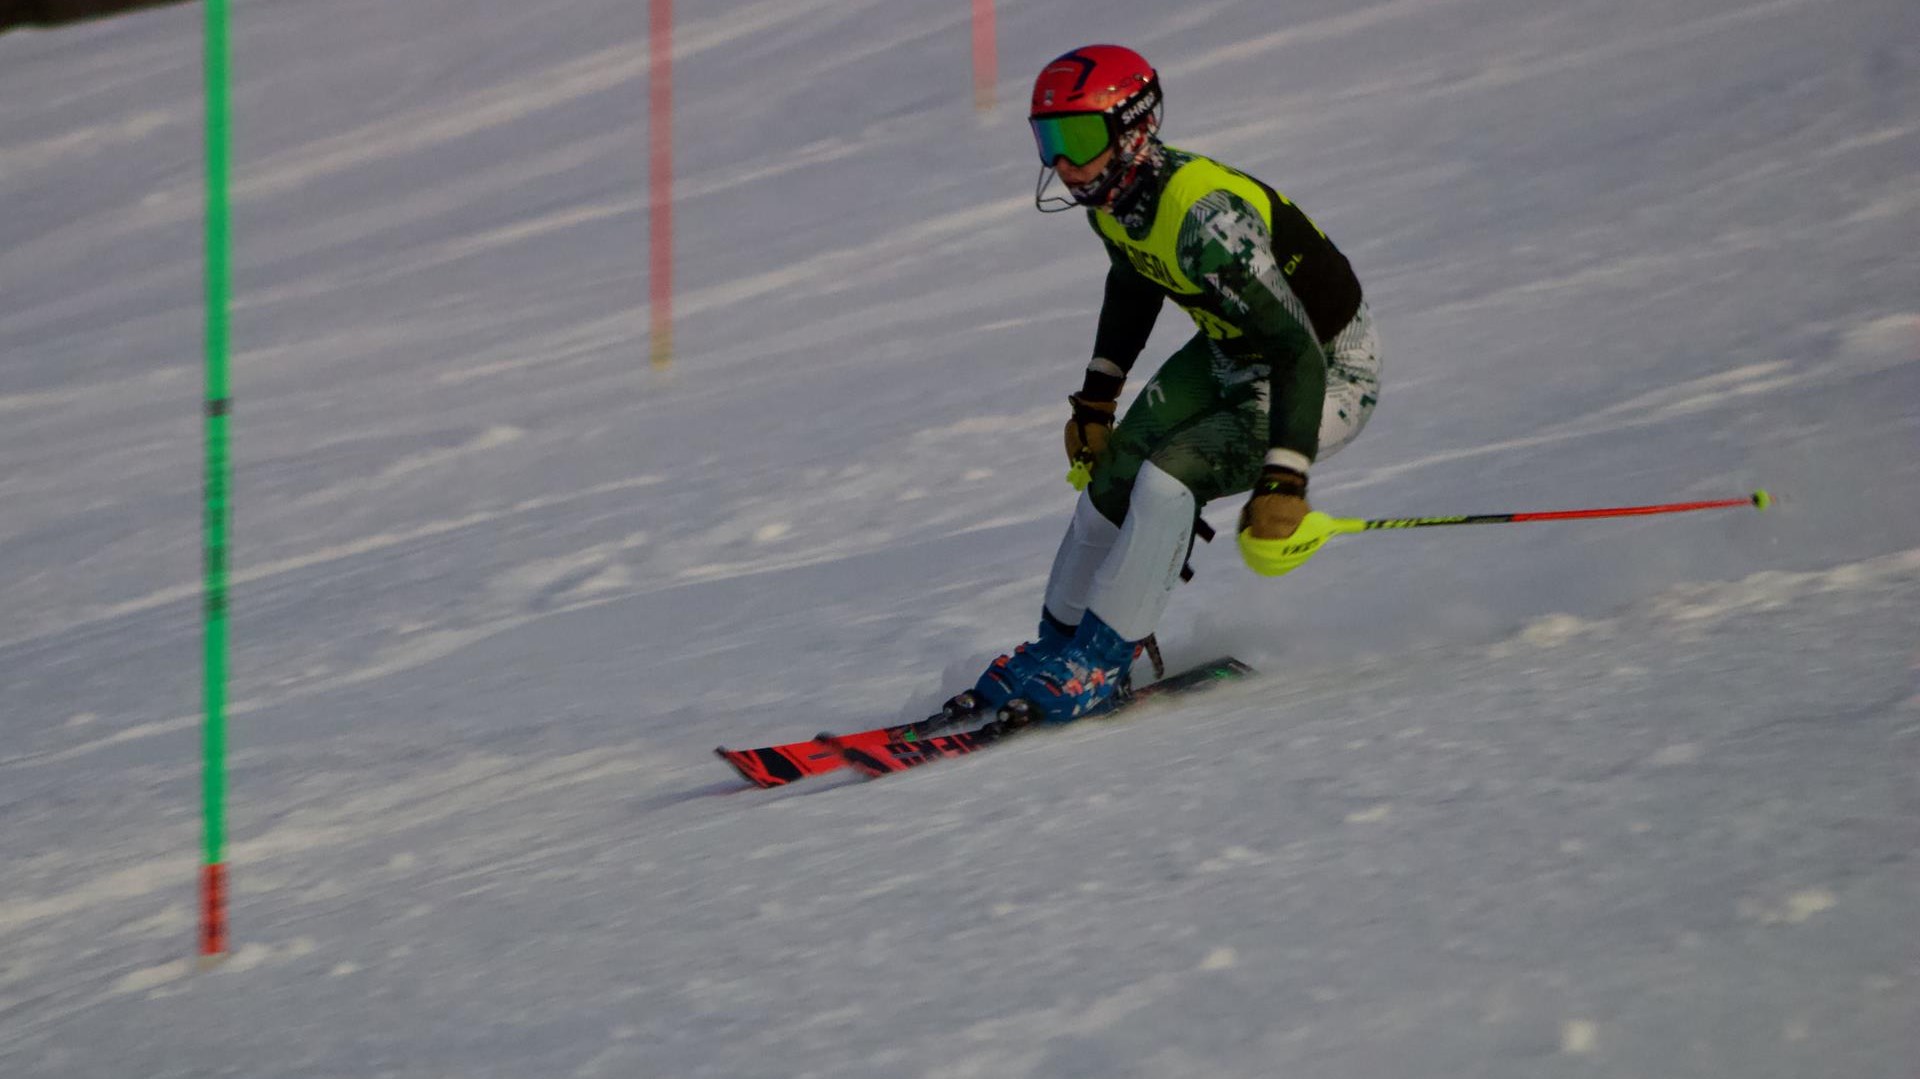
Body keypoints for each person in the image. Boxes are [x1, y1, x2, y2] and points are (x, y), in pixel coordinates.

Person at [971, 44, 1383, 723]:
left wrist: (1285, 480)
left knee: (1169, 478)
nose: (1064, 164)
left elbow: (1298, 352)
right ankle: (1060, 644)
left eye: (1078, 137)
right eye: (1049, 140)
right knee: (1115, 471)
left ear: (1133, 129)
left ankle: (1101, 662)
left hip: (1328, 369)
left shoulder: (1204, 219)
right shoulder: (1111, 199)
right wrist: (1097, 399)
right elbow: (1134, 279)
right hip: (1235, 346)